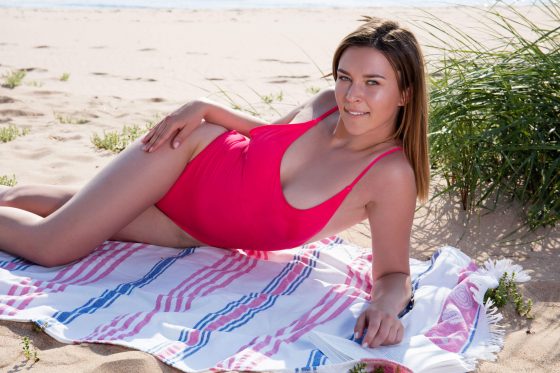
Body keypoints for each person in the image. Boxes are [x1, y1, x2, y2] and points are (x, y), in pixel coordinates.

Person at [0, 16, 428, 349]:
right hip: (187, 155)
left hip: (188, 230)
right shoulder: (323, 107)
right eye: (344, 77)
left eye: (373, 83)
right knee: (52, 245)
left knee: (44, 202)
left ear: (405, 93)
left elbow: (393, 273)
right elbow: (264, 138)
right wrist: (206, 108)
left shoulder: (389, 175)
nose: (352, 95)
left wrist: (383, 308)